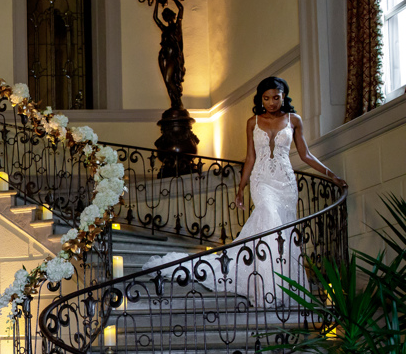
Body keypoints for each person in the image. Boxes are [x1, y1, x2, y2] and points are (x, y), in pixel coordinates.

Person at [144, 77, 344, 304]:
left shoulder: (293, 120)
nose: (271, 103)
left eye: (276, 98)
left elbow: (305, 155)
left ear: (283, 96)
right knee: (268, 216)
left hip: (285, 184)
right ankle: (270, 292)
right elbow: (250, 158)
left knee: (282, 234)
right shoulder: (253, 122)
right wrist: (241, 188)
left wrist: (332, 175)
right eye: (266, 98)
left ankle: (284, 287)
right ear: (260, 99)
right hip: (262, 182)